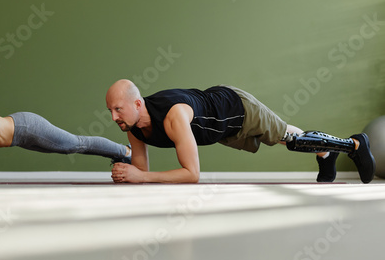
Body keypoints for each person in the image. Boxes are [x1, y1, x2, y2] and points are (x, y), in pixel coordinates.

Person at [105, 79, 375, 184]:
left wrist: (141, 177)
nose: (114, 117)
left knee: (288, 138)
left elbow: (192, 174)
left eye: (118, 109)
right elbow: (139, 176)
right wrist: (131, 175)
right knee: (283, 136)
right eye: (111, 111)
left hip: (236, 108)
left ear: (138, 103)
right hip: (223, 130)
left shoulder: (173, 117)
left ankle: (354, 145)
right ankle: (325, 153)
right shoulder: (134, 128)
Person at [0, 96, 131, 182]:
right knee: (69, 147)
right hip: (21, 138)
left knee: (74, 144)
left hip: (27, 127)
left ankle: (125, 152)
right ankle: (122, 153)